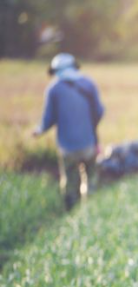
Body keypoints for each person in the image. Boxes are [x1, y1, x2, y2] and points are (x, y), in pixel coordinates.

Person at [32, 53, 104, 210]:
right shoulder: (88, 84)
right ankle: (89, 209)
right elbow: (99, 111)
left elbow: (48, 119)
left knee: (70, 180)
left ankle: (70, 211)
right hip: (89, 143)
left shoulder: (54, 89)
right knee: (91, 178)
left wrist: (39, 130)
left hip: (66, 147)